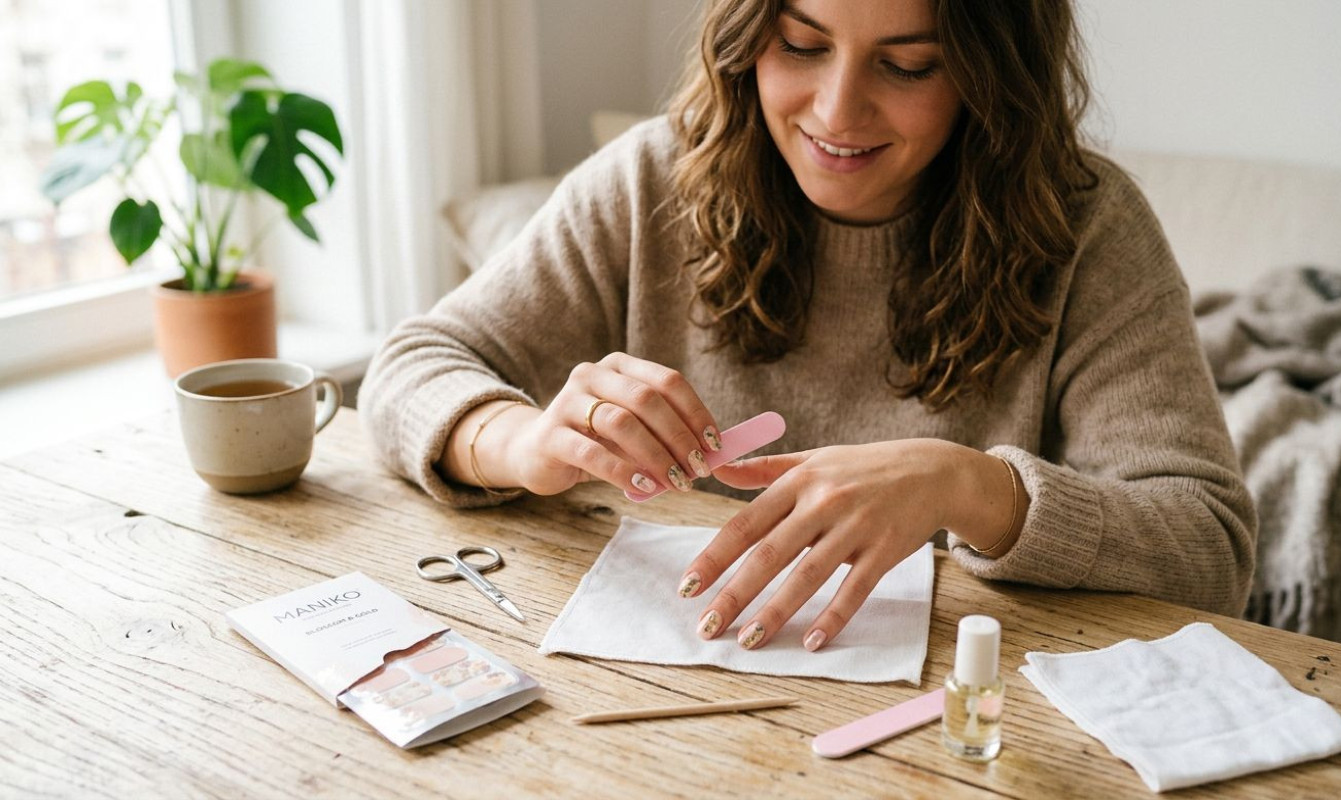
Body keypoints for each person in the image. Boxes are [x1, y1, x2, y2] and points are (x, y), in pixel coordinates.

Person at [359, 0, 1257, 653]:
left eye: (907, 64)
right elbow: (409, 367)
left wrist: (968, 487)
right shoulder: (652, 181)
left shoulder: (1088, 227)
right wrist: (521, 442)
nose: (835, 112)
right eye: (800, 43)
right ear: (747, 34)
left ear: (992, 75)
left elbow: (1208, 545)